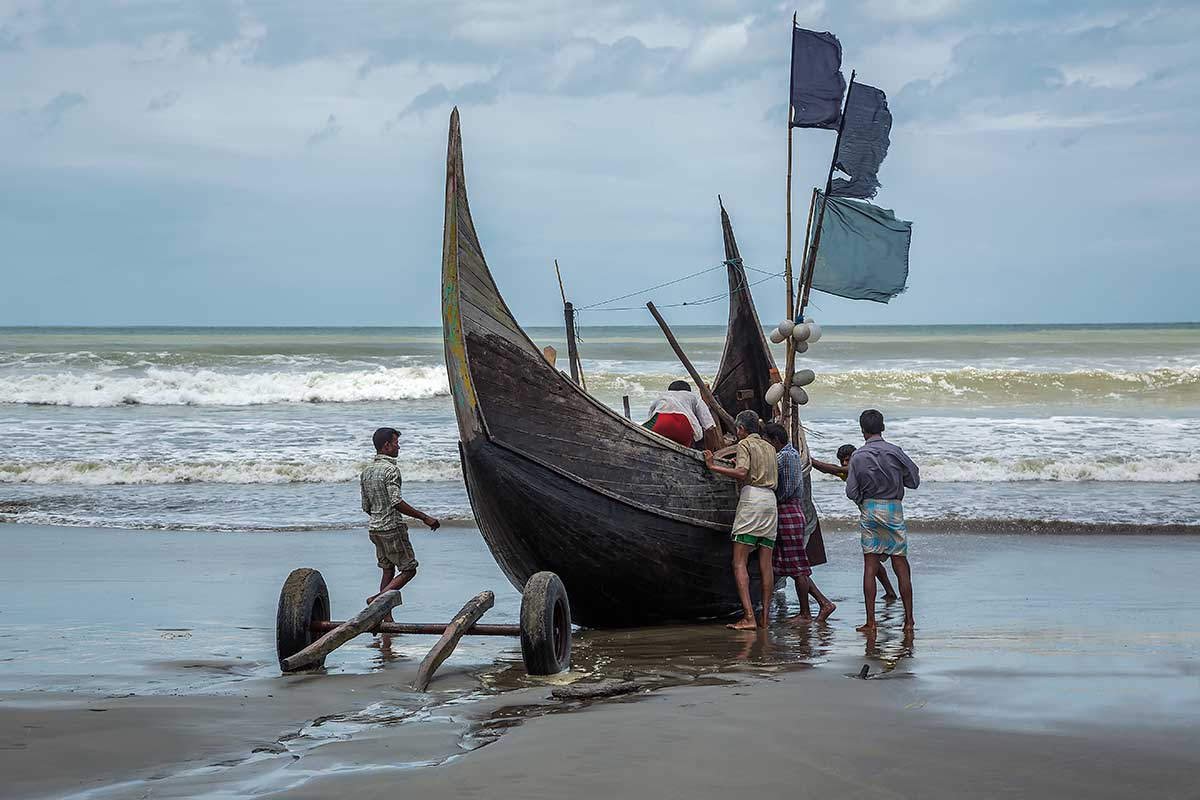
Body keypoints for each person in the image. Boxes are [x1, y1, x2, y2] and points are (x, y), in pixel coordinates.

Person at [845, 410, 920, 633]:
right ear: (883, 428)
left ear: (862, 430)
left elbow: (851, 491)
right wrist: (900, 480)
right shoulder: (894, 451)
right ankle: (908, 621)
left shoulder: (858, 456)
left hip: (869, 508)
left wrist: (863, 500)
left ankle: (871, 622)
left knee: (870, 565)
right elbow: (914, 479)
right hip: (893, 508)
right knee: (900, 564)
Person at [703, 410, 777, 630]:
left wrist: (712, 465)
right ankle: (764, 619)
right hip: (770, 504)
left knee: (739, 563)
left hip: (752, 501)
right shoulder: (770, 448)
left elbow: (742, 472)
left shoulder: (745, 444)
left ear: (741, 429)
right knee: (766, 566)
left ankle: (749, 618)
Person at [360, 427, 441, 620]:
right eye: (396, 442)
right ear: (387, 446)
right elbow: (396, 501)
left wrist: (379, 515)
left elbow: (366, 506)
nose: (398, 446)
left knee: (387, 570)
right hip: (391, 528)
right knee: (409, 569)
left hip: (375, 529)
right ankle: (377, 600)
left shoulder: (366, 471)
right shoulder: (391, 470)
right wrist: (424, 517)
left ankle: (385, 617)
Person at [762, 423, 836, 624]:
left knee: (797, 568)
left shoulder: (784, 457)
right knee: (794, 567)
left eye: (767, 441)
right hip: (793, 512)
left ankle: (808, 611)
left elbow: (784, 489)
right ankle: (821, 603)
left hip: (788, 512)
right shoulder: (793, 454)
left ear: (775, 440)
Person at [813, 443, 900, 601]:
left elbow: (835, 469)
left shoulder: (860, 466)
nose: (845, 464)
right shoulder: (847, 472)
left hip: (880, 514)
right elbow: (831, 470)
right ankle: (890, 592)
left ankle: (892, 593)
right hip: (872, 515)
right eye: (843, 461)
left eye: (848, 460)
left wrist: (810, 461)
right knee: (875, 559)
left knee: (879, 558)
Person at [645, 380, 721, 450]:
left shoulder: (662, 396)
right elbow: (709, 428)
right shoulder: (693, 396)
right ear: (688, 391)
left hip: (660, 424)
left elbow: (650, 418)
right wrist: (710, 453)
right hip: (683, 428)